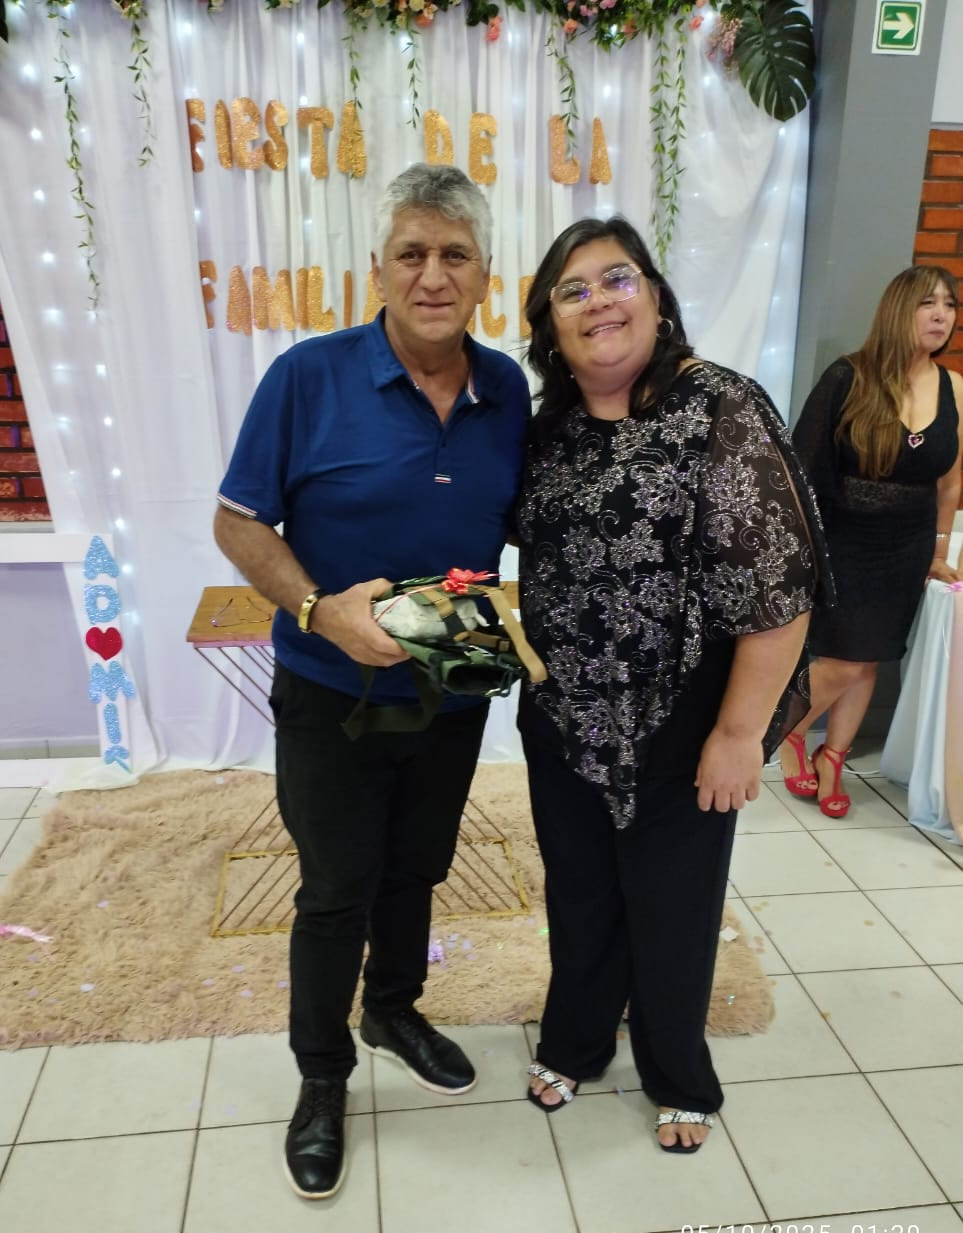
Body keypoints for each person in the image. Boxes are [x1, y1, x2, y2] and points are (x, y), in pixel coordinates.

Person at [213, 164, 531, 1199]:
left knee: (417, 868)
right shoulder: (306, 376)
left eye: (454, 255)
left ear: (484, 274)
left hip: (452, 689)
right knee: (335, 886)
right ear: (378, 269)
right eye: (412, 253)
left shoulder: (507, 391)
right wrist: (318, 609)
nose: (432, 276)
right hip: (328, 693)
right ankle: (322, 1073)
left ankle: (393, 1008)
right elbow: (237, 521)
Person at [515, 215, 830, 1152]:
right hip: (564, 708)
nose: (598, 302)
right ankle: (574, 1039)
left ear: (654, 295)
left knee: (672, 901)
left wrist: (738, 734)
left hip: (682, 711)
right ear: (550, 325)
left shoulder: (717, 408)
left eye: (617, 279)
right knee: (580, 891)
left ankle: (676, 1070)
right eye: (572, 291)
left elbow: (778, 587)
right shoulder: (550, 427)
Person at [779, 265, 962, 817]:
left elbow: (950, 483)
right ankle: (787, 733)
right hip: (845, 541)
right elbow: (803, 467)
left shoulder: (955, 387)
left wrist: (937, 552)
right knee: (845, 661)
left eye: (950, 306)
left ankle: (834, 758)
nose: (942, 316)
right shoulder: (848, 376)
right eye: (928, 304)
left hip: (908, 545)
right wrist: (799, 551)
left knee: (872, 657)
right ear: (898, 310)